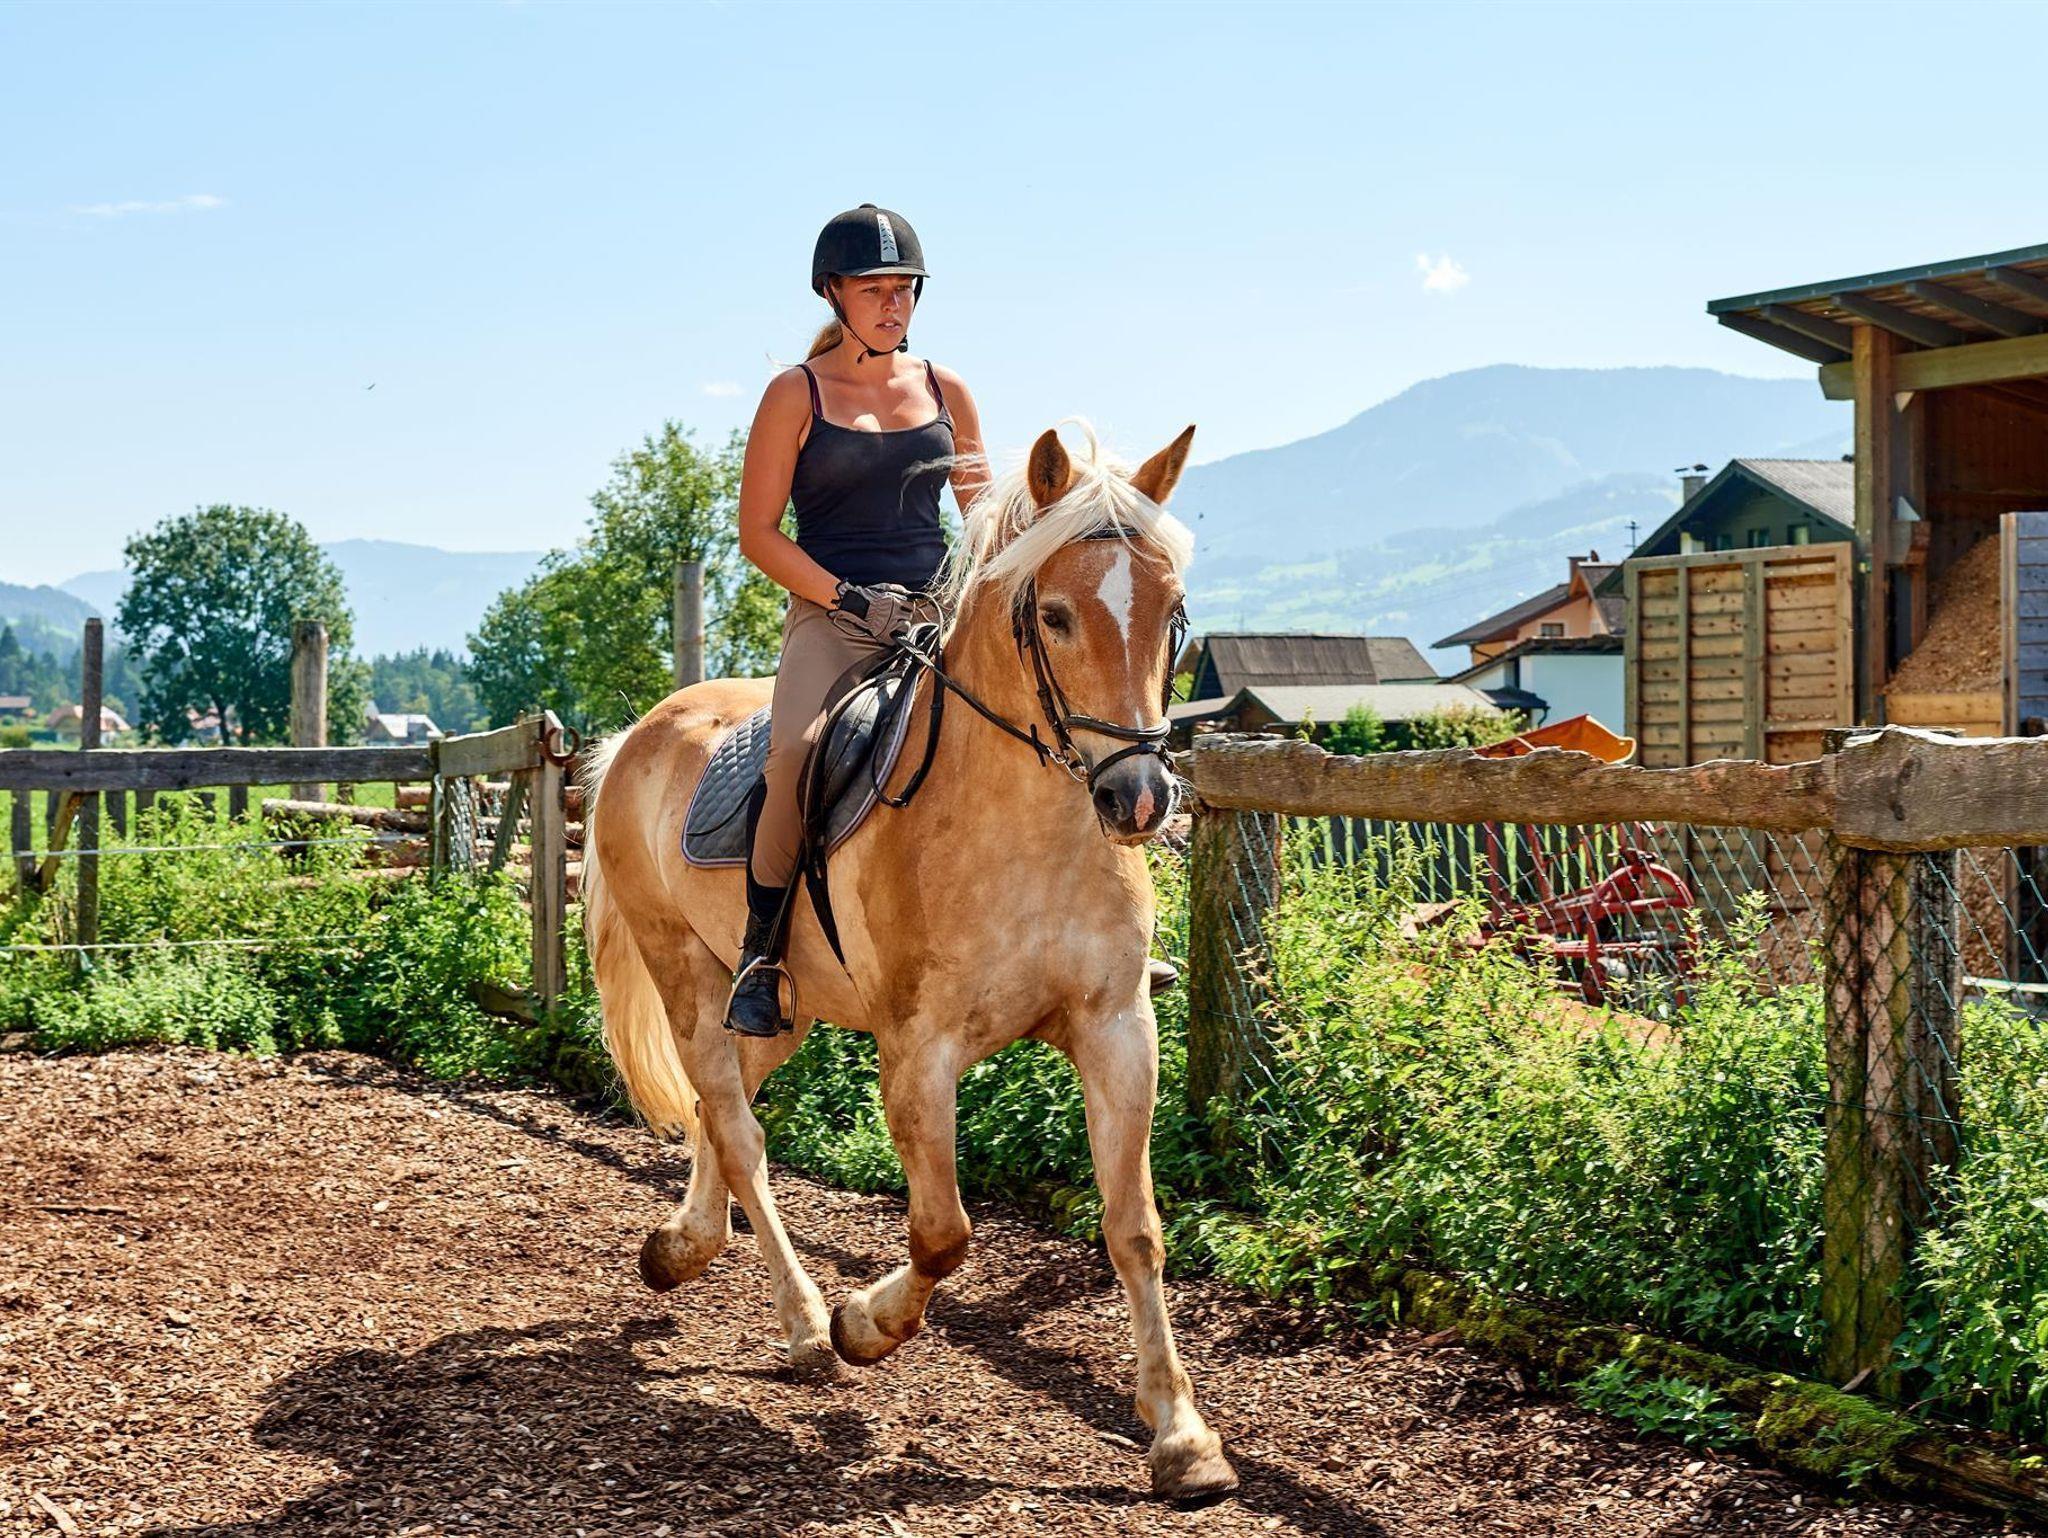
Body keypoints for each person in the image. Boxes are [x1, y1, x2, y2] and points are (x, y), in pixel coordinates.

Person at [725, 204, 989, 1037]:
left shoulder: (948, 392)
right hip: (833, 620)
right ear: (832, 292)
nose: (893, 303)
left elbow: (984, 520)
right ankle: (762, 953)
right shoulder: (794, 394)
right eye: (874, 289)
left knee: (1036, 729)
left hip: (936, 619)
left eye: (904, 288)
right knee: (795, 757)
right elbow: (758, 534)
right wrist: (848, 599)